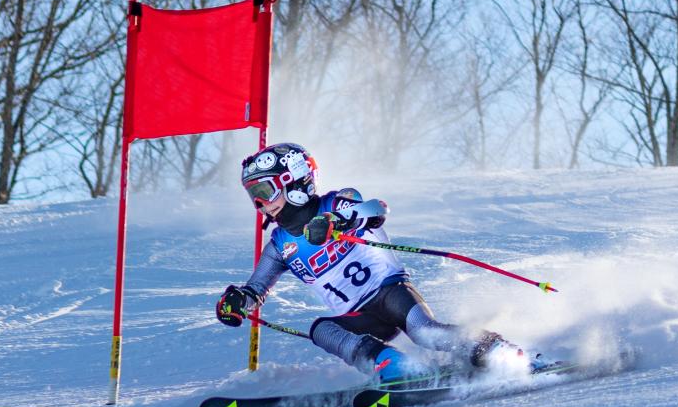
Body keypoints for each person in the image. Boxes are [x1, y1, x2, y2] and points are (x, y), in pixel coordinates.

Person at [215, 142, 554, 383]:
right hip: (360, 316)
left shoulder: (335, 202)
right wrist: (238, 302)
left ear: (294, 183)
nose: (260, 204)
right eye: (253, 196)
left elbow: (375, 209)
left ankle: (499, 351)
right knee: (321, 329)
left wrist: (337, 221)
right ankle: (394, 366)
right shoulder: (279, 245)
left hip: (391, 292)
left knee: (424, 332)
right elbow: (256, 289)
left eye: (265, 191)